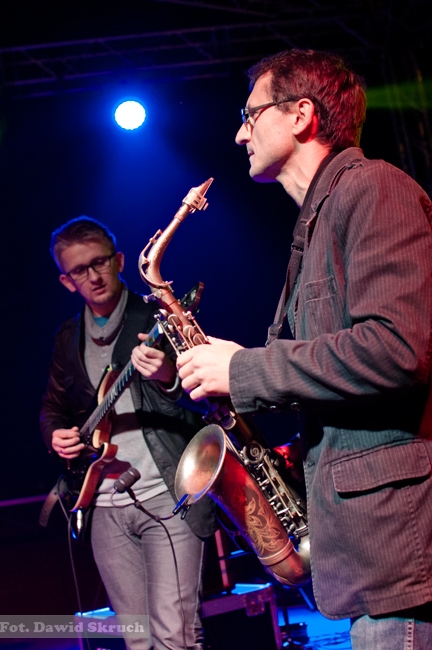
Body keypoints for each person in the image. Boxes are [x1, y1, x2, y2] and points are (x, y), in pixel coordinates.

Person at [176, 49, 432, 649]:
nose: (240, 134)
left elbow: (397, 347)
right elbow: (321, 371)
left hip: (395, 549)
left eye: (249, 115)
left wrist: (243, 369)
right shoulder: (314, 224)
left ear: (300, 115)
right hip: (365, 549)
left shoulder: (374, 189)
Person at [40, 216, 216, 650]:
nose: (93, 276)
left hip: (169, 496)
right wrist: (56, 434)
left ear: (119, 261)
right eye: (79, 270)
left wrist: (168, 376)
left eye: (100, 262)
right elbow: (52, 409)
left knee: (176, 638)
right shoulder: (67, 338)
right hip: (103, 505)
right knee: (138, 641)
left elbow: (213, 400)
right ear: (66, 282)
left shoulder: (158, 317)